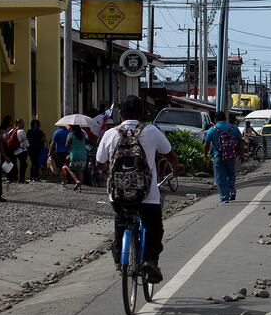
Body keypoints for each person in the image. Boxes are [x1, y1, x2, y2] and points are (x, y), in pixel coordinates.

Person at [97, 95, 182, 283]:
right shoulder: (151, 131)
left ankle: (121, 257)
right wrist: (175, 168)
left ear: (121, 114)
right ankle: (150, 261)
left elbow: (100, 162)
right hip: (147, 194)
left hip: (118, 194)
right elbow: (169, 153)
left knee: (121, 222)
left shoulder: (110, 134)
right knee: (154, 228)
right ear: (142, 113)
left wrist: (107, 172)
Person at [203, 110, 244, 203]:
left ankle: (225, 197)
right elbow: (241, 141)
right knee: (231, 174)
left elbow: (206, 145)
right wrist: (241, 154)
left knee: (220, 177)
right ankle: (231, 191)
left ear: (215, 119)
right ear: (225, 118)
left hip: (218, 157)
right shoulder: (233, 128)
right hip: (231, 156)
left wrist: (205, 156)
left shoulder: (212, 130)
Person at [63, 125, 89, 191]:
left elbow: (66, 145)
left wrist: (71, 145)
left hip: (74, 154)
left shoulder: (71, 135)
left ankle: (77, 181)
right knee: (80, 170)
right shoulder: (83, 134)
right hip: (83, 154)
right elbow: (86, 142)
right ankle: (80, 188)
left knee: (71, 169)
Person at [11, 118, 30, 183]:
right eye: (23, 122)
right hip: (22, 150)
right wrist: (28, 147)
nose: (24, 124)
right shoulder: (21, 131)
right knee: (23, 165)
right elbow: (26, 142)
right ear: (19, 123)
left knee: (20, 164)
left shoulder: (12, 130)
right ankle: (21, 179)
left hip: (15, 151)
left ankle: (17, 178)